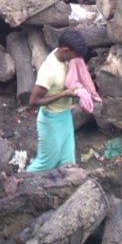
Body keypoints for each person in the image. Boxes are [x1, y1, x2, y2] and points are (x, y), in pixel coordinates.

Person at [26, 29, 88, 172]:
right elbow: (33, 101)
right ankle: (20, 181)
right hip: (50, 120)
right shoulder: (49, 71)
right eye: (75, 55)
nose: (76, 59)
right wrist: (63, 94)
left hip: (65, 116)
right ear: (66, 50)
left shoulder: (62, 55)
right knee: (46, 163)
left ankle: (68, 184)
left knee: (68, 161)